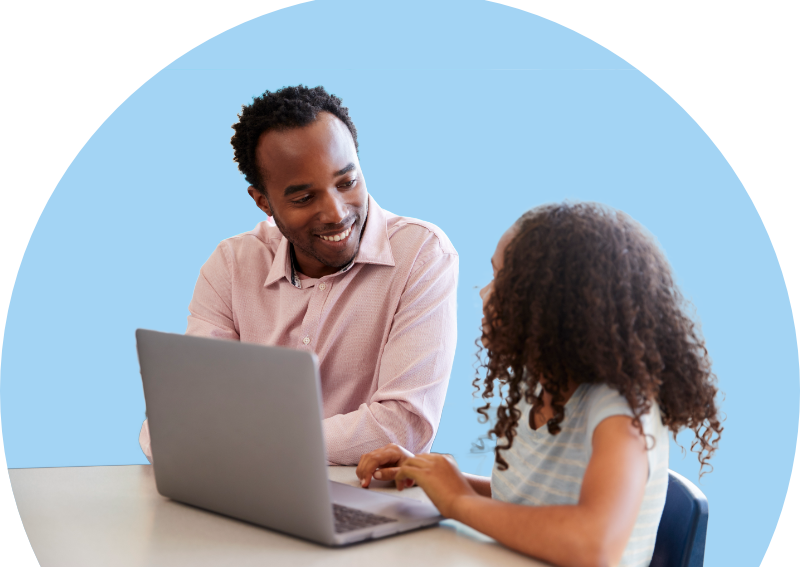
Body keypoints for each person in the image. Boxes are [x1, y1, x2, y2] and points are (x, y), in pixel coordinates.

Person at [356, 202, 723, 567]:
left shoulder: (621, 410)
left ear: (559, 307)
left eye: (503, 280)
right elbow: (528, 508)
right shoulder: (538, 388)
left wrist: (458, 502)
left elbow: (594, 545)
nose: (484, 294)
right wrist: (431, 476)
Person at [139, 85, 458, 465]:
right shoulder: (231, 265)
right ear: (263, 202)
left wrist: (239, 441)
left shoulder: (422, 254)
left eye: (347, 182)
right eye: (304, 198)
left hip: (363, 491)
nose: (336, 212)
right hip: (251, 489)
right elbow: (175, 419)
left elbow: (403, 427)